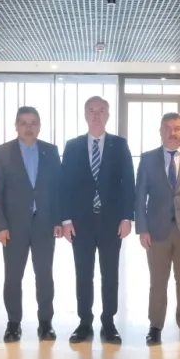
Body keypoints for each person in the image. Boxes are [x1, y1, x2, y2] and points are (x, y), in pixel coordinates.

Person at [61, 96, 135, 345]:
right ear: (85, 115)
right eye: (91, 111)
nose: (96, 115)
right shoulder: (72, 146)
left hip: (111, 222)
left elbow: (129, 182)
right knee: (83, 274)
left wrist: (127, 217)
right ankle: (84, 322)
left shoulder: (119, 145)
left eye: (101, 111)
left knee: (110, 274)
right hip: (80, 223)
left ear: (108, 115)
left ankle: (108, 322)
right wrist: (66, 219)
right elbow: (65, 184)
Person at [0, 106, 63, 343]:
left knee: (44, 275)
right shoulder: (2, 153)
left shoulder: (51, 151)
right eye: (23, 123)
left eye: (33, 123)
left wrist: (58, 220)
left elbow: (58, 188)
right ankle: (13, 323)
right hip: (13, 227)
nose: (29, 128)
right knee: (13, 277)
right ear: (16, 126)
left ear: (39, 126)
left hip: (44, 225)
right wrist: (0, 225)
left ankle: (45, 323)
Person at [135, 111, 180, 346]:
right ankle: (155, 326)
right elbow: (140, 196)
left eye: (176, 128)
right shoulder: (148, 159)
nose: (172, 133)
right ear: (160, 131)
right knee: (158, 281)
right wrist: (142, 229)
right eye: (167, 128)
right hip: (157, 230)